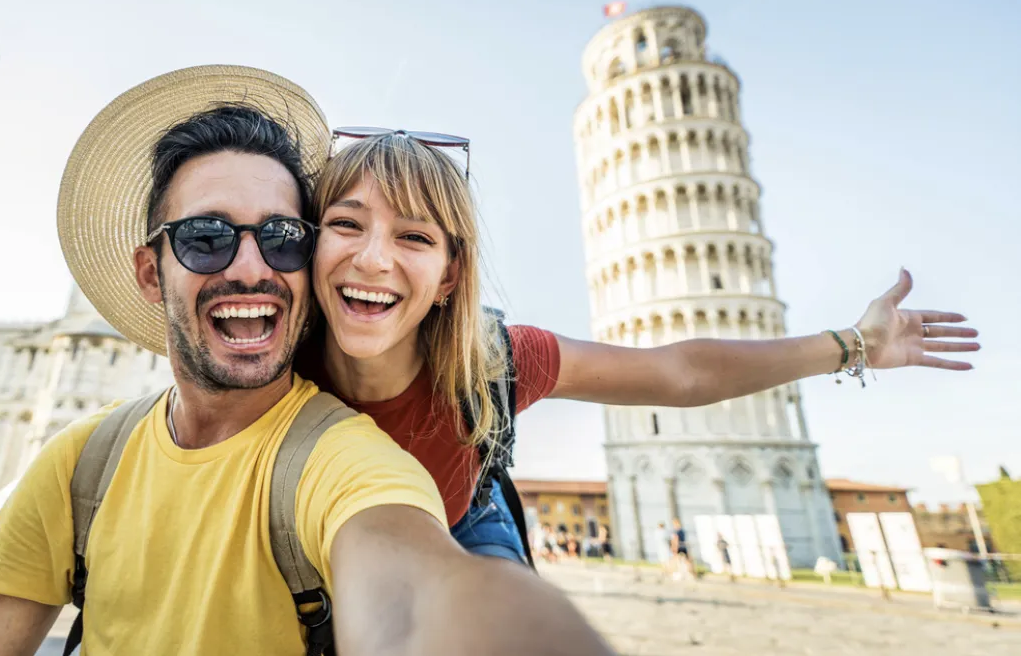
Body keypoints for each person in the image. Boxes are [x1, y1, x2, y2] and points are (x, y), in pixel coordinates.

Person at [0, 66, 609, 656]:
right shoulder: (82, 463)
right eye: (207, 237)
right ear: (151, 273)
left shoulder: (345, 458)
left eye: (284, 238)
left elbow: (414, 591)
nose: (253, 266)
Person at [300, 129, 979, 565]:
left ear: (451, 276)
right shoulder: (277, 370)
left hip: (461, 523)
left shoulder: (497, 363)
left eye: (414, 237)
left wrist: (854, 343)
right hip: (331, 545)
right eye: (346, 224)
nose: (373, 258)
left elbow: (680, 373)